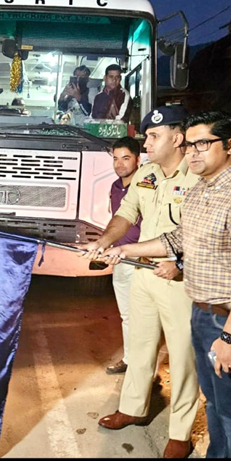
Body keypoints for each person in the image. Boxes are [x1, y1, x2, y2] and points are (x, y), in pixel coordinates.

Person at [101, 110, 231, 458]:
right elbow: (176, 236)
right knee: (211, 400)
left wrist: (229, 336)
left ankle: (181, 433)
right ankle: (135, 408)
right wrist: (119, 247)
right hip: (176, 292)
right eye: (192, 145)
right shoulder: (192, 185)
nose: (193, 152)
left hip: (209, 303)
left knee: (223, 399)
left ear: (230, 145)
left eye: (202, 144)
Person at [80, 106, 200, 459]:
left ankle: (180, 432)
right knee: (140, 345)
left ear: (177, 138)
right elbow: (126, 212)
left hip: (178, 279)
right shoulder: (146, 174)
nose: (145, 144)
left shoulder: (196, 176)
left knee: (182, 356)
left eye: (153, 136)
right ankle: (133, 408)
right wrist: (105, 241)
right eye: (146, 136)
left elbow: (196, 235)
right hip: (143, 273)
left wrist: (177, 261)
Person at [105, 136, 142, 375]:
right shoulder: (115, 187)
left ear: (138, 159)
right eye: (116, 159)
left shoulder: (147, 186)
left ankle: (144, 368)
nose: (119, 164)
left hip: (143, 260)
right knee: (127, 316)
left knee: (145, 317)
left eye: (126, 158)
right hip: (120, 259)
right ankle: (130, 360)